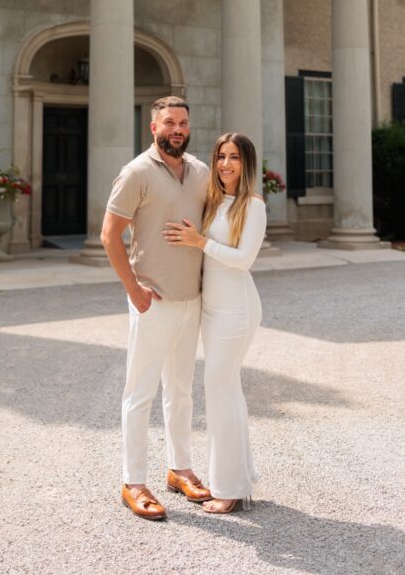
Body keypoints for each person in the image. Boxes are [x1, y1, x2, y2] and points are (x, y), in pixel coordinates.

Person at [100, 96, 212, 521]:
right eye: (169, 122)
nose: (178, 129)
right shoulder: (137, 173)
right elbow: (109, 235)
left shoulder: (200, 172)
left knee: (181, 392)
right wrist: (134, 290)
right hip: (153, 302)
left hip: (191, 300)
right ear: (154, 128)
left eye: (183, 122)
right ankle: (134, 482)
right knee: (140, 394)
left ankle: (180, 470)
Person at [164, 132, 266, 514]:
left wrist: (199, 242)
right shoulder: (212, 201)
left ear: (247, 163)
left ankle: (229, 488)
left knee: (219, 389)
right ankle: (240, 477)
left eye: (234, 157)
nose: (225, 164)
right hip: (210, 307)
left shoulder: (252, 206)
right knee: (226, 390)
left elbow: (243, 260)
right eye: (221, 156)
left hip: (236, 309)